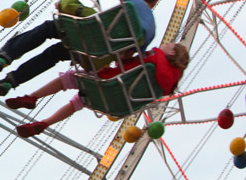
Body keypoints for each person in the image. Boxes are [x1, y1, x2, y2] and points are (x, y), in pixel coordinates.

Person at [0, 0, 160, 98]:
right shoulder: (150, 31)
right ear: (153, 3)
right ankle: (10, 82)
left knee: (48, 28)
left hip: (87, 33)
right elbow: (128, 58)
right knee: (54, 54)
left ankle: (4, 56)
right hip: (95, 55)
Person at [11, 43, 189, 138]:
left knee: (70, 77)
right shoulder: (167, 87)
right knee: (80, 100)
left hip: (109, 82)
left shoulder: (155, 57)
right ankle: (46, 123)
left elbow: (127, 65)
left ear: (172, 53)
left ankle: (32, 97)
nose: (165, 44)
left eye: (170, 45)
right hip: (118, 105)